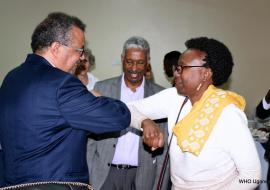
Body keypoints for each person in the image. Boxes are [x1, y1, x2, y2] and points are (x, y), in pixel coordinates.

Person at [0, 12, 160, 187]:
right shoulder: (62, 84)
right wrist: (107, 102)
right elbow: (116, 118)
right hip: (53, 184)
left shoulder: (12, 78)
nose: (82, 57)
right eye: (79, 50)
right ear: (56, 48)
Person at [129, 37, 261, 189]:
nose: (175, 73)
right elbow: (128, 110)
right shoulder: (173, 97)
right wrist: (145, 123)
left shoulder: (228, 114)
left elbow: (252, 176)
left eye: (181, 68)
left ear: (205, 74)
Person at [87, 36, 169, 190]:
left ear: (148, 61)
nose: (134, 68)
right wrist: (88, 176)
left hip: (142, 177)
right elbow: (91, 139)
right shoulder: (102, 89)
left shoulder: (160, 95)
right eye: (130, 61)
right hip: (104, 175)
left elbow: (163, 151)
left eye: (140, 62)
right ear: (122, 59)